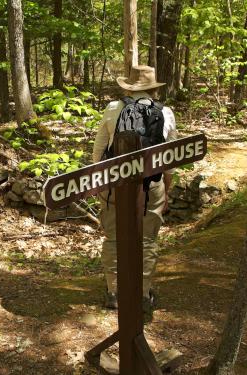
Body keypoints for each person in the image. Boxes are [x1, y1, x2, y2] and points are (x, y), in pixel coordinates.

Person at [92, 65, 177, 313]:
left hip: (114, 183)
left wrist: (102, 186)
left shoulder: (112, 109)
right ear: (153, 88)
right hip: (151, 183)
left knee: (114, 237)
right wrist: (166, 189)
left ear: (128, 86)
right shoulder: (166, 113)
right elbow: (169, 160)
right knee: (148, 239)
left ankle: (114, 292)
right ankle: (142, 293)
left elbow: (98, 154)